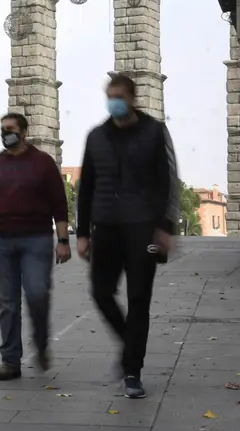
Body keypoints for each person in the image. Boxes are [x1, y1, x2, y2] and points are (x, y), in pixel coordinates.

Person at [75, 74, 179, 400]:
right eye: (110, 96)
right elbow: (86, 186)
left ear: (133, 98)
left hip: (143, 229)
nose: (114, 101)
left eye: (119, 95)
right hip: (105, 227)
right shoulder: (95, 137)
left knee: (138, 301)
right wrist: (81, 232)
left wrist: (165, 227)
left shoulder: (155, 131)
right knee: (100, 292)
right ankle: (128, 344)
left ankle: (133, 371)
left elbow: (169, 181)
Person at [0, 113, 70, 381]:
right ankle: (10, 360)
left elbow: (59, 204)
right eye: (2, 129)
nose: (5, 133)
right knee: (7, 304)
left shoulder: (43, 163)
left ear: (23, 132)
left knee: (36, 294)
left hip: (36, 239)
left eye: (9, 129)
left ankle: (41, 342)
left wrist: (63, 241)